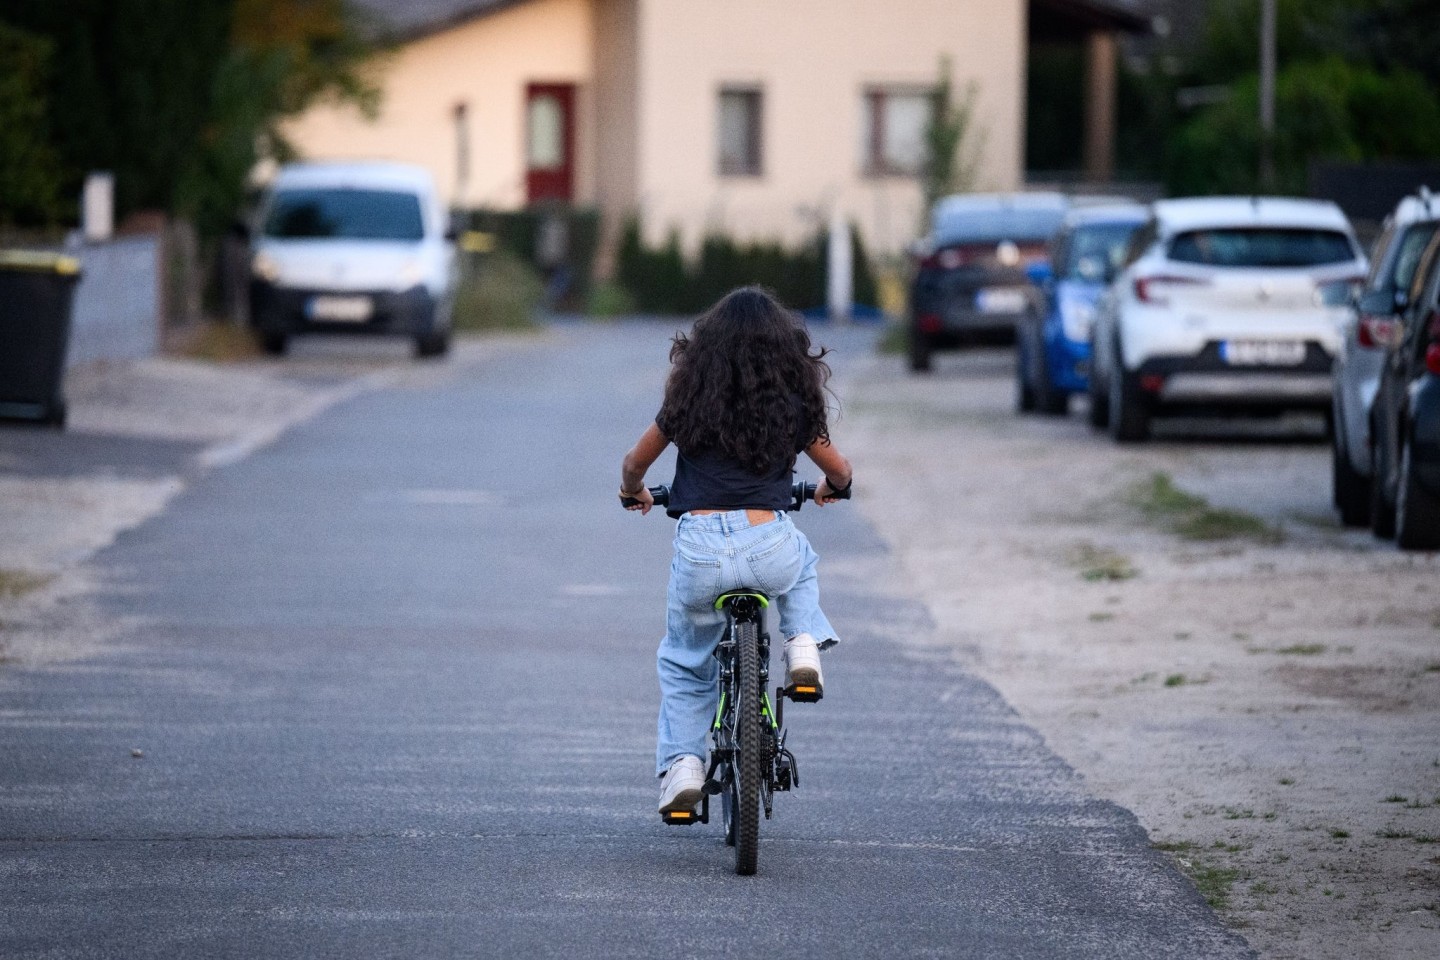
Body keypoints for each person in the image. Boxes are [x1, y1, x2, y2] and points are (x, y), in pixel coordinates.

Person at [619, 286, 853, 816]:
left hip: (700, 548)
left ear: (704, 351)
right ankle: (802, 645)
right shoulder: (790, 406)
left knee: (685, 663)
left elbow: (636, 464)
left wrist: (634, 489)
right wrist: (830, 488)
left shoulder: (686, 404)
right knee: (801, 562)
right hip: (767, 538)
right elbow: (839, 471)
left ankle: (683, 765)